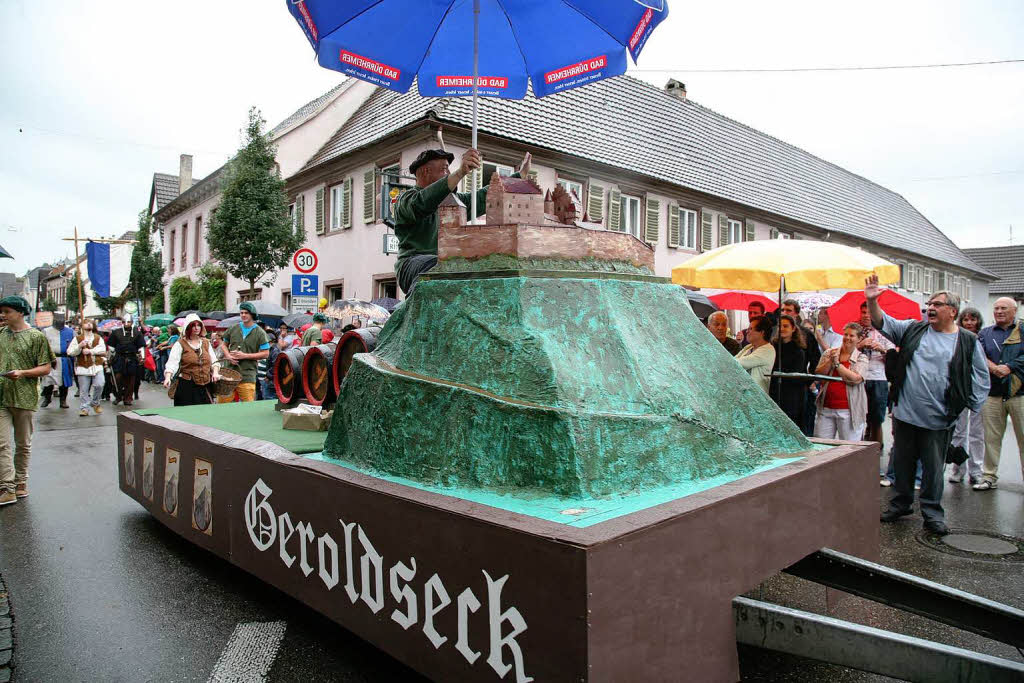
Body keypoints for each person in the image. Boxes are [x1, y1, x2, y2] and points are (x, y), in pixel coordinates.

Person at [869, 275, 989, 536]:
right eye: (929, 303)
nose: (930, 308)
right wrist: (871, 301)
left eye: (937, 304)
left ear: (952, 312)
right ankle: (900, 505)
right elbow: (883, 323)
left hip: (939, 417)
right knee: (901, 463)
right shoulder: (915, 328)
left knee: (934, 470)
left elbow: (980, 376)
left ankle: (932, 514)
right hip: (905, 412)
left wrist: (970, 406)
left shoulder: (967, 341)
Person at [393, 147, 532, 296]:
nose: (448, 173)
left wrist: (519, 176)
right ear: (426, 171)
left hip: (445, 264)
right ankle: (413, 313)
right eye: (445, 169)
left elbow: (483, 196)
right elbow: (423, 202)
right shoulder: (406, 200)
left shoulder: (453, 202)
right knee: (439, 266)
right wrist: (460, 173)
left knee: (467, 268)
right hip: (412, 265)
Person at [0, 296, 56, 506]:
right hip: (2, 395)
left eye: (7, 311)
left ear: (20, 312)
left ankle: (20, 482)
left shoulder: (35, 337)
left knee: (22, 443)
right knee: (2, 444)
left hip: (25, 395)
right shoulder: (1, 334)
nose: (3, 315)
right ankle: (7, 488)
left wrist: (22, 373)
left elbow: (46, 367)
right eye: (2, 312)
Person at [974, 297, 1024, 491]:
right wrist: (995, 368)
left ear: (1014, 311)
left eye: (1004, 308)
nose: (999, 311)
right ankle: (989, 476)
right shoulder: (985, 333)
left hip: (1019, 394)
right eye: (996, 308)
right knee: (991, 438)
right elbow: (978, 355)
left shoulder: (1022, 330)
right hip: (992, 394)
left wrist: (1010, 367)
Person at [944, 307, 986, 485]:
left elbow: (983, 369)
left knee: (977, 434)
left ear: (978, 322)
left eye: (973, 320)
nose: (969, 323)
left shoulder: (983, 339)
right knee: (958, 432)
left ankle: (976, 470)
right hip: (958, 391)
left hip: (976, 391)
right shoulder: (956, 338)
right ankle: (958, 469)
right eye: (966, 320)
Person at [813, 322, 868, 440]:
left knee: (849, 448)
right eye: (846, 335)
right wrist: (830, 361)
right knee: (822, 445)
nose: (847, 338)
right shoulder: (829, 353)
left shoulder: (861, 357)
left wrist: (837, 364)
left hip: (849, 410)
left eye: (852, 336)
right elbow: (818, 373)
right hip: (826, 407)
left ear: (859, 339)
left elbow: (856, 379)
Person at [163, 314, 220, 406]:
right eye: (193, 325)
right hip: (187, 387)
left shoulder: (206, 343)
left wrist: (215, 372)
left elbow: (214, 361)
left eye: (198, 325)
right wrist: (168, 377)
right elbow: (172, 363)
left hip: (205, 386)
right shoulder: (180, 344)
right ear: (188, 327)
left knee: (206, 415)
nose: (196, 328)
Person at [219, 302, 269, 403]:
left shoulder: (260, 332)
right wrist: (228, 356)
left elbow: (266, 353)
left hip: (248, 374)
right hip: (229, 373)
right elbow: (223, 344)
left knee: (248, 406)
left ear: (252, 314)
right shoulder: (234, 328)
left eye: (246, 313)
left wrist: (245, 356)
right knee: (222, 405)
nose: (243, 315)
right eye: (241, 313)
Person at [770, 314, 809, 426]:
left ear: (793, 328)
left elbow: (797, 374)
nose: (782, 329)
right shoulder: (773, 346)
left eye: (786, 326)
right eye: (780, 326)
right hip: (775, 392)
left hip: (791, 396)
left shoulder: (798, 351)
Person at [67, 319, 106, 416]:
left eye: (90, 323)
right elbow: (70, 352)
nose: (89, 324)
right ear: (82, 326)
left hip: (97, 366)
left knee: (100, 384)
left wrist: (90, 351)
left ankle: (95, 403)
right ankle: (84, 408)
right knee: (84, 390)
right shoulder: (78, 339)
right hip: (83, 367)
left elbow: (103, 349)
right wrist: (79, 347)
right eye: (86, 323)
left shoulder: (98, 338)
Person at [108, 314, 145, 407]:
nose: (126, 324)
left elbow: (141, 346)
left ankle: (128, 398)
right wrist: (109, 358)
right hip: (119, 358)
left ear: (132, 322)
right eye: (124, 322)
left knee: (131, 380)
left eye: (128, 322)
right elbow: (111, 347)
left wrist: (142, 357)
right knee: (117, 378)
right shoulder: (116, 332)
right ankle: (118, 396)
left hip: (132, 358)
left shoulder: (137, 333)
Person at [40, 314, 75, 409]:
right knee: (48, 380)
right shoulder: (46, 331)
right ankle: (47, 398)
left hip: (64, 359)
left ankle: (63, 400)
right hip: (50, 359)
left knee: (64, 382)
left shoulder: (70, 332)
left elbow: (74, 346)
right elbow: (42, 346)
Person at [735, 317, 775, 393]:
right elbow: (733, 360)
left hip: (757, 396)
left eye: (750, 329)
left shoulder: (767, 350)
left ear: (762, 332)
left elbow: (739, 363)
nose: (747, 331)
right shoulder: (749, 346)